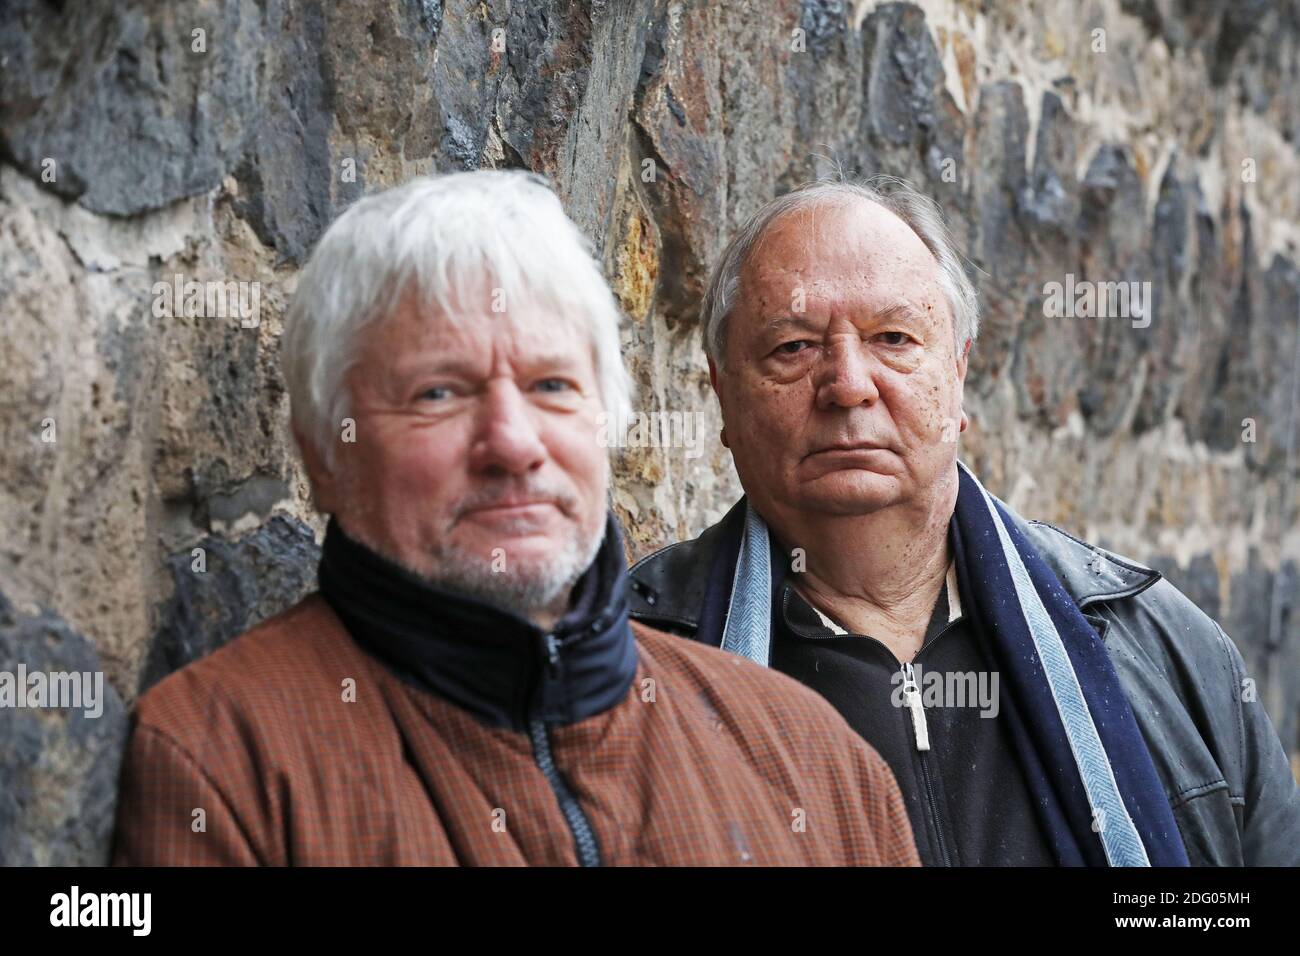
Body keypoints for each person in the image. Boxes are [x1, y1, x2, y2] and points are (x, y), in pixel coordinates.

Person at [111, 170, 920, 867]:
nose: (512, 443)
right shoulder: (222, 761)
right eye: (439, 393)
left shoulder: (819, 764)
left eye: (552, 387)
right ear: (326, 451)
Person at [628, 177, 1300, 866]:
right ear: (722, 393)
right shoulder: (631, 668)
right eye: (794, 347)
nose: (849, 384)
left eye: (893, 338)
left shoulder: (1156, 645)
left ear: (958, 372)